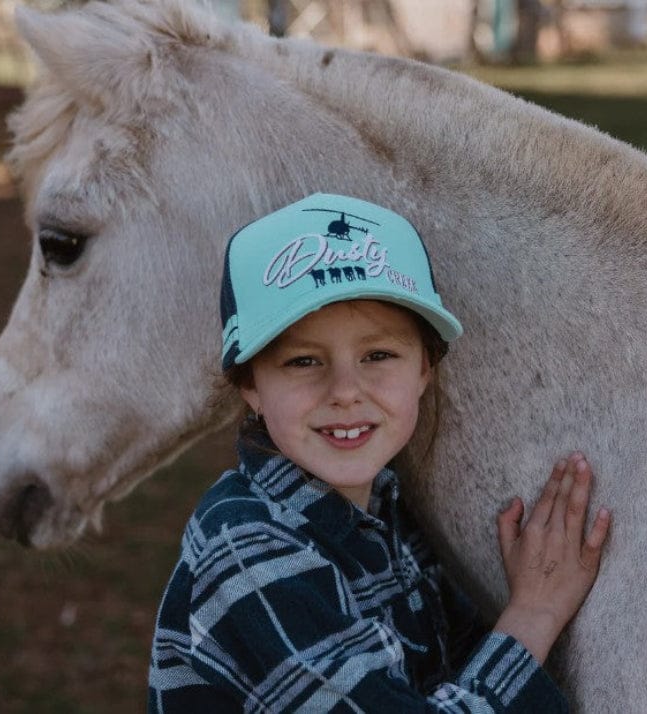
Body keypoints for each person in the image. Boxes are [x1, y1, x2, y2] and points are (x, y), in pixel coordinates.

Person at [147, 193, 611, 712]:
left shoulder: (387, 519)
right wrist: (535, 615)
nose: (346, 390)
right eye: (303, 361)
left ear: (423, 371)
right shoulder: (244, 550)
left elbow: (456, 667)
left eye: (378, 355)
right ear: (250, 386)